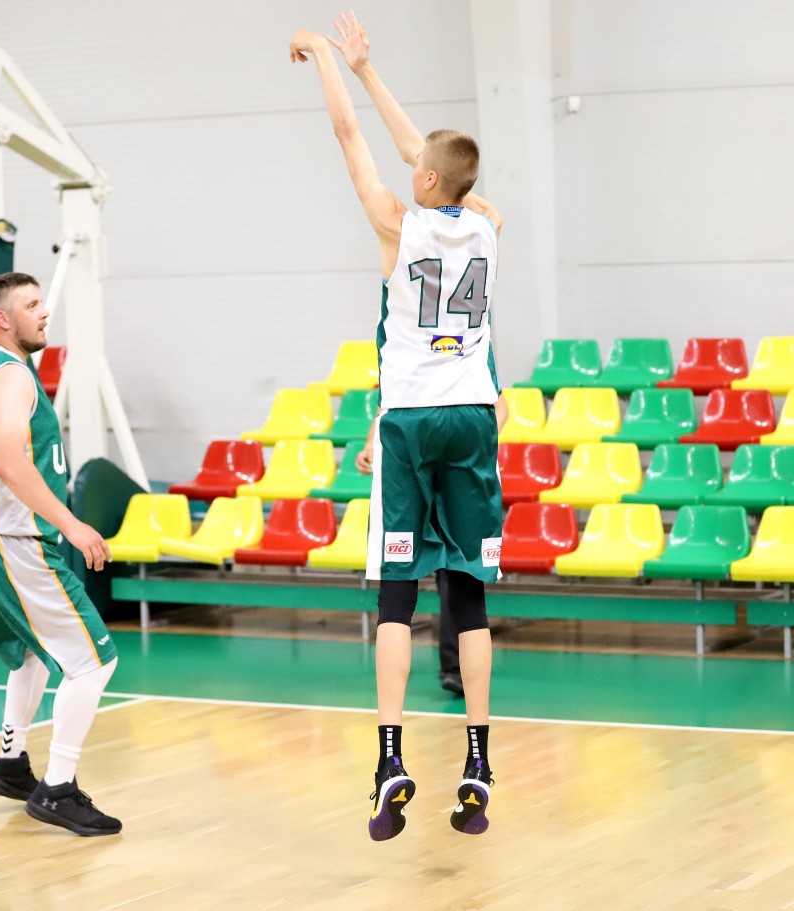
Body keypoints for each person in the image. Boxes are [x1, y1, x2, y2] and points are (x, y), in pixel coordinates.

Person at [291, 11, 504, 841]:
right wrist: (371, 69)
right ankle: (478, 758)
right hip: (474, 414)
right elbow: (437, 161)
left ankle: (390, 758)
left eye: (419, 167)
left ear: (426, 181)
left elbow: (351, 137)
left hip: (410, 419)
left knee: (395, 596)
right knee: (469, 596)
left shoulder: (396, 223)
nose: (410, 166)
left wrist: (327, 59)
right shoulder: (487, 222)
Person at [0, 272, 121, 837]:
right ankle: (58, 789)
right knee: (93, 662)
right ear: (3, 319)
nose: (45, 312)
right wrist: (72, 525)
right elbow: (7, 461)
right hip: (9, 541)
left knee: (28, 654)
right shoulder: (10, 376)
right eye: (32, 304)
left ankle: (10, 762)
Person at [357, 387, 508, 698]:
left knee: (457, 579)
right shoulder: (405, 371)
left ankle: (455, 668)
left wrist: (476, 441)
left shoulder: (467, 369)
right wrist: (370, 445)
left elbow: (500, 407)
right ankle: (451, 671)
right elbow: (386, 409)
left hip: (456, 469)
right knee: (405, 586)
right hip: (416, 471)